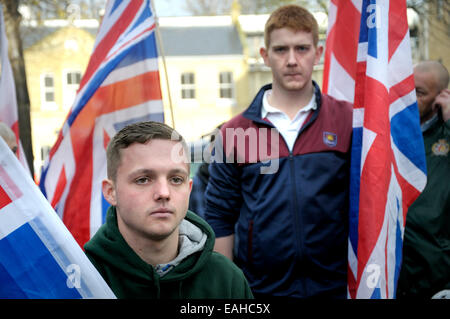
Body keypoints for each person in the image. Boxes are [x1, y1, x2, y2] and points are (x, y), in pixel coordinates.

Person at [204, 5, 353, 298]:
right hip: (260, 291)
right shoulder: (235, 132)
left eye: (302, 48)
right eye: (281, 50)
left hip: (336, 287)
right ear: (265, 55)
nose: (292, 60)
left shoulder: (347, 120)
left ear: (318, 53)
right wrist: (230, 295)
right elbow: (219, 217)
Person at [84, 121, 253, 299]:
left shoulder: (226, 279)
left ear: (189, 189)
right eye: (143, 179)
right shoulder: (79, 278)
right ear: (111, 192)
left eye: (176, 179)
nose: (163, 193)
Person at [397, 61, 450, 299]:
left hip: (436, 277)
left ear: (441, 97)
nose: (410, 99)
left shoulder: (446, 135)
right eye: (407, 90)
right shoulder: (390, 130)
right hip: (395, 274)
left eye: (419, 93)